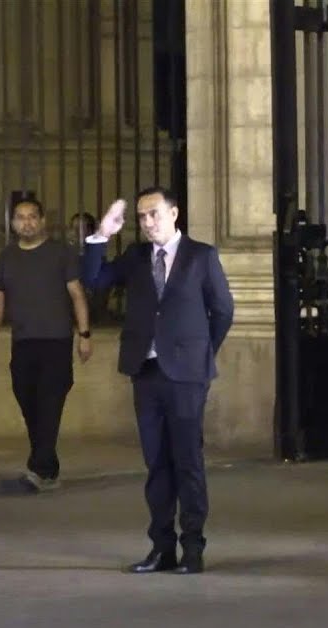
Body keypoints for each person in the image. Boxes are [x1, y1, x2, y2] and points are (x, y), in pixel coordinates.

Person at [84, 187, 234, 575]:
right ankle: (161, 548)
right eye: (142, 217)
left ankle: (194, 548)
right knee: (156, 464)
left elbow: (222, 311)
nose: (148, 223)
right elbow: (95, 279)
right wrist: (102, 234)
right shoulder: (135, 257)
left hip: (187, 376)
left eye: (154, 214)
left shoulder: (201, 257)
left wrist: (199, 355)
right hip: (146, 373)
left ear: (174, 213)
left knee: (188, 461)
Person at [0, 199, 93, 492]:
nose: (27, 222)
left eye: (32, 217)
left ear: (42, 220)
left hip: (56, 341)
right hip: (23, 342)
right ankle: (48, 467)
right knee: (28, 402)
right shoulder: (7, 256)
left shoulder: (60, 253)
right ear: (13, 223)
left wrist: (84, 335)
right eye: (21, 218)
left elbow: (77, 295)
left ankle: (39, 469)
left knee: (49, 404)